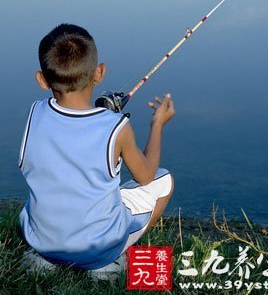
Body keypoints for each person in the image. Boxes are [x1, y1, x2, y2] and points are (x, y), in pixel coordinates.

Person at [18, 23, 175, 280]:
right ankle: (109, 261)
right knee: (163, 180)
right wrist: (157, 125)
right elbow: (145, 176)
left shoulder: (35, 114)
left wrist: (103, 116)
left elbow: (69, 132)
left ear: (42, 80)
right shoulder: (117, 127)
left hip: (42, 242)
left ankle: (45, 261)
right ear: (99, 73)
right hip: (96, 250)